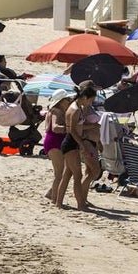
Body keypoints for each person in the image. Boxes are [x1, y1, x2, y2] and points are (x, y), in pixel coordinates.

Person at [55, 83, 100, 211]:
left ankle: (59, 202)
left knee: (68, 174)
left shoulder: (77, 107)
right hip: (71, 143)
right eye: (91, 100)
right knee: (77, 176)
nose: (90, 103)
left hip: (72, 142)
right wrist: (81, 144)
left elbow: (78, 128)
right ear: (85, 97)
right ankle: (81, 204)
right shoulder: (74, 109)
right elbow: (72, 131)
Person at [43, 92, 74, 203]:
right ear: (61, 101)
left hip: (56, 142)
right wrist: (69, 128)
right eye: (67, 100)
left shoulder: (56, 110)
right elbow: (55, 128)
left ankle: (51, 193)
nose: (69, 102)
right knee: (59, 173)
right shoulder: (57, 111)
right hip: (54, 142)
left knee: (62, 171)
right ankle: (54, 199)